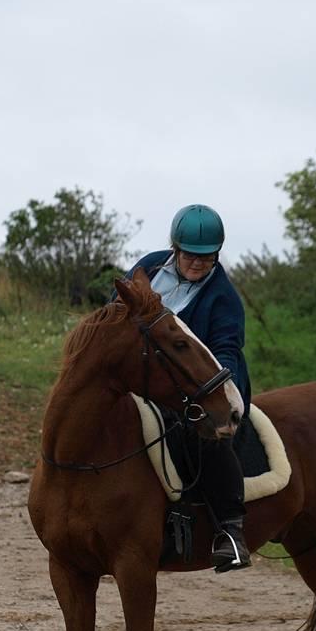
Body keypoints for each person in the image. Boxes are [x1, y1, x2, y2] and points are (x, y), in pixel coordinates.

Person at [120, 203, 252, 573]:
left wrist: (217, 393)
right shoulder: (147, 268)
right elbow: (117, 312)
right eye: (190, 257)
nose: (197, 265)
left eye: (206, 258)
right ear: (175, 249)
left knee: (206, 434)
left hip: (195, 387)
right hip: (140, 378)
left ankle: (230, 530)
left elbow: (227, 349)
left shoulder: (222, 296)